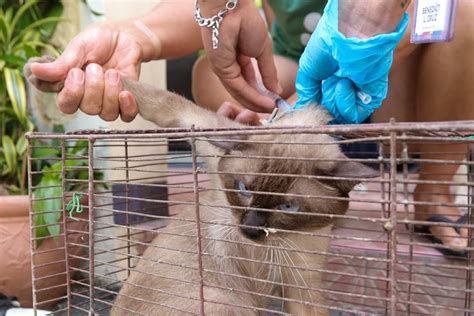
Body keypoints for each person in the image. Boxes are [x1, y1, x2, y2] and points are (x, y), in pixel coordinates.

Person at [30, 0, 473, 255]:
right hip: (291, 87)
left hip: (397, 89)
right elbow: (218, 12)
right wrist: (138, 34)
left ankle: (432, 189)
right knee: (209, 70)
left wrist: (366, 43)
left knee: (465, 11)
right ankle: (278, 163)